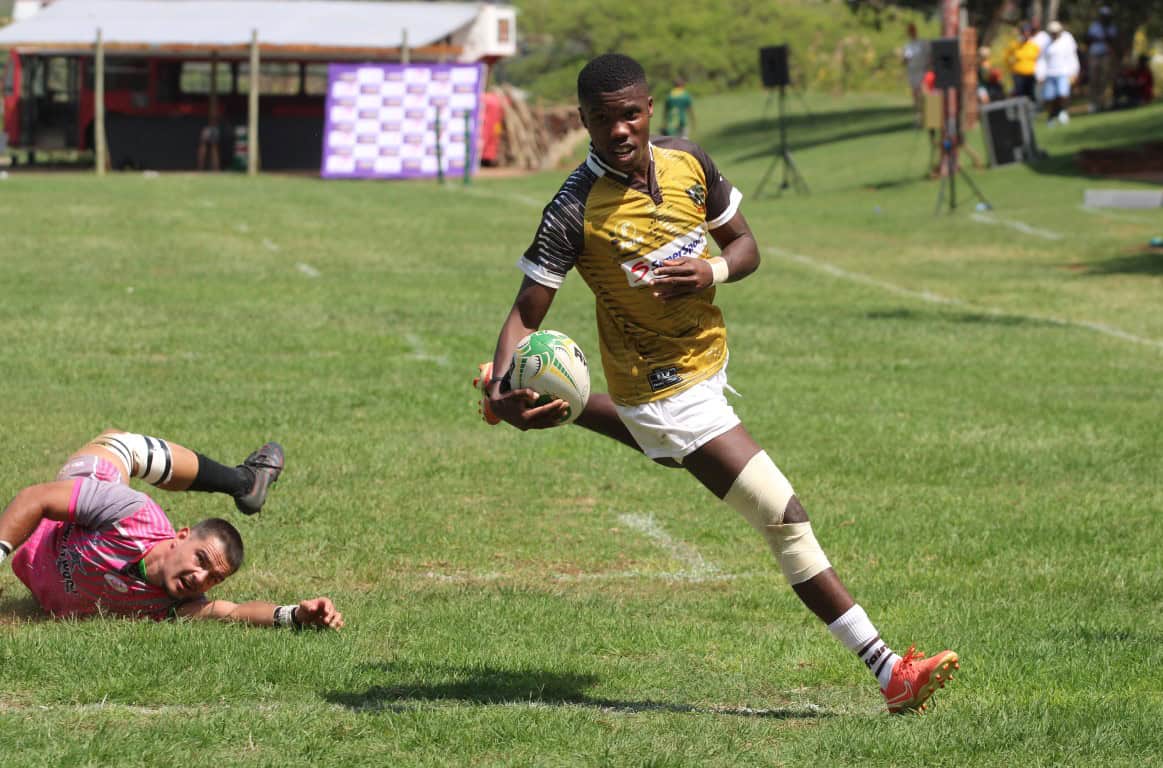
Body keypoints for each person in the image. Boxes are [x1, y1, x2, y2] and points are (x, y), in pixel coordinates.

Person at [473, 53, 958, 715]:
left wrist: (711, 272)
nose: (619, 129)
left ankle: (568, 403)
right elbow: (526, 314)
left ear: (650, 108)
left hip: (705, 360)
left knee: (671, 451)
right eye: (602, 119)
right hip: (658, 385)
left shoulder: (689, 163)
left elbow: (745, 246)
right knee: (782, 514)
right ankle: (888, 670)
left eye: (630, 114)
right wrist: (502, 383)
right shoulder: (572, 209)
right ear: (583, 121)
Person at [0, 429, 343, 629]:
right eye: (201, 559)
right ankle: (243, 481)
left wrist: (296, 615)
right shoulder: (131, 515)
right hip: (97, 487)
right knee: (122, 444)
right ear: (180, 537)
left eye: (213, 578)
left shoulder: (174, 604)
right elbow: (35, 498)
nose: (200, 577)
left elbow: (233, 612)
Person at [1035, 20, 1079, 125]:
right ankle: (1051, 116)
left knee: (1062, 94)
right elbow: (1041, 60)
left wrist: (1074, 72)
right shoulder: (1045, 43)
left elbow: (1072, 57)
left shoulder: (1067, 39)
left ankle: (1063, 112)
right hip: (1050, 74)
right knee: (1049, 97)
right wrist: (1040, 74)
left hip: (1063, 72)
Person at [1085, 6, 1118, 112]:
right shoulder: (1094, 26)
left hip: (1106, 55)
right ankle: (1094, 104)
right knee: (1094, 79)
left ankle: (1106, 102)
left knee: (1105, 79)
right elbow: (1088, 39)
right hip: (1094, 55)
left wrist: (1103, 37)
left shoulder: (1111, 27)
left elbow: (1112, 40)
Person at [902, 23, 930, 126]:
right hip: (912, 72)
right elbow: (906, 60)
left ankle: (926, 115)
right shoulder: (908, 46)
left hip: (922, 71)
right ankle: (919, 116)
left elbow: (928, 56)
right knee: (915, 95)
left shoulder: (922, 43)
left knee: (923, 93)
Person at [1005, 22, 1041, 102]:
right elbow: (1007, 57)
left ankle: (1031, 108)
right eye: (1024, 32)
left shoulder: (1034, 46)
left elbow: (1040, 60)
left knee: (1031, 94)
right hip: (1018, 74)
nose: (1026, 34)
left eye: (1027, 32)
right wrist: (1011, 67)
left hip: (1030, 74)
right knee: (1020, 94)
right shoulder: (1015, 45)